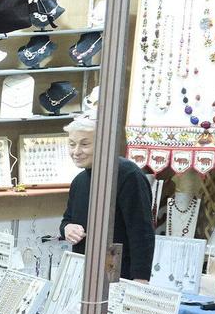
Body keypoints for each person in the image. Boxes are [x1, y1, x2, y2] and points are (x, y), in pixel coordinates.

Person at [60, 115, 156, 282]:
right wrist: (67, 228)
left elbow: (142, 232)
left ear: (103, 143)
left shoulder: (128, 175)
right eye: (72, 144)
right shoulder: (79, 181)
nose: (76, 151)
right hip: (85, 273)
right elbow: (67, 220)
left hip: (120, 275)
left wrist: (140, 279)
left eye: (85, 144)